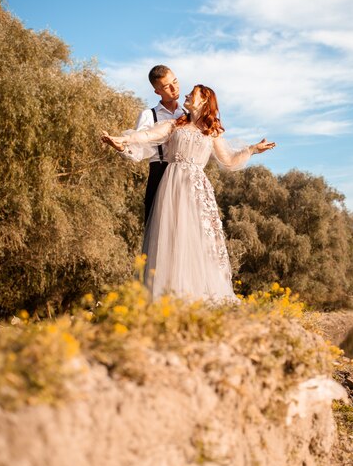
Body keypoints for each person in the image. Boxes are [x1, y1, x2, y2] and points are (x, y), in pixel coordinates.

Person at [101, 84, 276, 303]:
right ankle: (167, 296)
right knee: (171, 236)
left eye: (192, 94)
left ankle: (197, 296)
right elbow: (146, 135)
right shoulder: (174, 124)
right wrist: (123, 140)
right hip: (172, 186)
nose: (185, 95)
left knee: (197, 238)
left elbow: (229, 161)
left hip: (196, 188)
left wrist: (252, 150)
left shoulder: (212, 132)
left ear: (204, 100)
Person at [118, 65, 185, 224]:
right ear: (157, 92)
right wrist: (121, 147)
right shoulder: (149, 115)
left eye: (175, 81)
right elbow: (139, 151)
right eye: (167, 87)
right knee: (157, 227)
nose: (174, 88)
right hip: (160, 172)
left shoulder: (187, 114)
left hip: (185, 175)